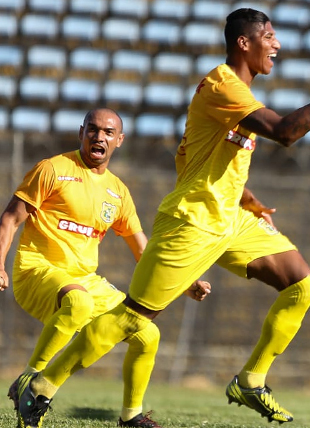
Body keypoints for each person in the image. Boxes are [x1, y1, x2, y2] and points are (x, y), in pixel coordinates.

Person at [14, 8, 310, 427]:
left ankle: (251, 380)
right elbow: (286, 132)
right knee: (132, 319)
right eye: (270, 36)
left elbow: (193, 162)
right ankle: (41, 387)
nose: (277, 45)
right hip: (193, 222)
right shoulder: (222, 86)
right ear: (244, 43)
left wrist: (244, 197)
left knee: (303, 284)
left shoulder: (237, 96)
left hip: (229, 219)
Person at [0, 108, 212, 428]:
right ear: (81, 132)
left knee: (147, 334)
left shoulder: (118, 191)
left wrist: (185, 281)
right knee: (79, 302)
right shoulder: (53, 169)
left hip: (85, 279)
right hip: (37, 270)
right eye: (93, 129)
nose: (99, 137)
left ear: (119, 140)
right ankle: (31, 381)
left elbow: (143, 250)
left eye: (108, 132)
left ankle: (131, 416)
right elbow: (10, 218)